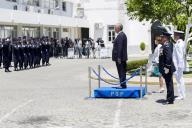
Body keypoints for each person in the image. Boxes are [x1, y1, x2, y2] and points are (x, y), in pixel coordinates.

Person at [159, 27, 176, 104]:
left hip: (167, 67)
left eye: (162, 37)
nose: (161, 38)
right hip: (166, 67)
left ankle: (170, 99)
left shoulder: (167, 45)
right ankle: (169, 98)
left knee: (169, 83)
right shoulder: (166, 45)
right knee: (168, 83)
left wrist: (167, 67)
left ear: (166, 38)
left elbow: (169, 57)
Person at [112, 23, 128, 89]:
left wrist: (119, 57)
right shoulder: (121, 35)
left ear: (118, 28)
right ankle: (122, 84)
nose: (114, 29)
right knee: (122, 71)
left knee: (121, 71)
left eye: (115, 27)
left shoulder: (121, 35)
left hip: (120, 58)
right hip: (121, 57)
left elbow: (120, 47)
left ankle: (122, 85)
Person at [173, 30, 186, 100]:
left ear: (178, 35)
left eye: (175, 34)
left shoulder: (179, 43)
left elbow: (180, 55)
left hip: (178, 65)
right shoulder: (178, 43)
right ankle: (182, 94)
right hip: (177, 65)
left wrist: (179, 66)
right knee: (180, 80)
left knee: (179, 80)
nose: (174, 36)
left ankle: (181, 95)